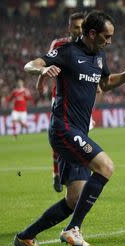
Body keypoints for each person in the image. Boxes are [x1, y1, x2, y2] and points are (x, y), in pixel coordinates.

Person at [14, 11, 125, 246]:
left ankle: (26, 237)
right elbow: (31, 64)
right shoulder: (67, 52)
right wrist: (42, 71)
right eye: (106, 36)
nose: (109, 41)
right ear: (91, 33)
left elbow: (106, 83)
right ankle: (73, 228)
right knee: (106, 167)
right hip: (64, 128)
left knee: (74, 200)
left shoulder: (98, 55)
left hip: (78, 131)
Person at [36, 12, 85, 193]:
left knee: (77, 140)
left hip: (81, 103)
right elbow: (45, 64)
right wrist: (40, 81)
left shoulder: (90, 47)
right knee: (62, 139)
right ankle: (58, 173)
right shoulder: (59, 45)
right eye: (76, 27)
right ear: (69, 28)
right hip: (60, 99)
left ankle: (71, 177)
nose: (79, 31)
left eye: (82, 27)